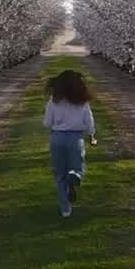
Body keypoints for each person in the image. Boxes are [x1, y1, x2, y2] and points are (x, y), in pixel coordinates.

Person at [42, 70, 97, 218]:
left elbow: (47, 123)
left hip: (57, 138)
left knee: (60, 175)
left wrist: (56, 124)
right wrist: (91, 135)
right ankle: (75, 174)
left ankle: (66, 209)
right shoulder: (82, 103)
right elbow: (89, 123)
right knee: (77, 166)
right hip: (75, 138)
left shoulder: (53, 102)